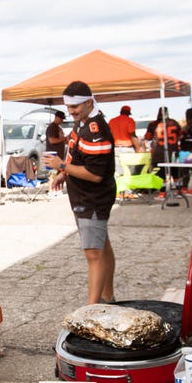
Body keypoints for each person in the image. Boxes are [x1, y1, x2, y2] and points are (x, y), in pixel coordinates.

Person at [42, 81, 116, 305]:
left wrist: (61, 166)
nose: (70, 111)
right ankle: (108, 297)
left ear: (89, 102)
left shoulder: (96, 130)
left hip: (92, 198)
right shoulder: (82, 122)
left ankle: (92, 308)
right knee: (102, 246)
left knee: (93, 253)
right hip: (85, 196)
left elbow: (95, 175)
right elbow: (78, 156)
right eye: (68, 107)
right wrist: (64, 173)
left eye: (74, 107)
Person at [108, 105, 141, 175]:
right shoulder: (130, 120)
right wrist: (138, 149)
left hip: (115, 149)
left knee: (118, 173)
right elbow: (133, 135)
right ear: (128, 113)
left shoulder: (112, 121)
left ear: (121, 112)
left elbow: (108, 135)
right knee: (130, 173)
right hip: (127, 150)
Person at [45, 110, 68, 196]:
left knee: (58, 173)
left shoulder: (58, 128)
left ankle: (57, 190)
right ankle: (51, 190)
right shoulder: (51, 127)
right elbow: (52, 140)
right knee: (52, 174)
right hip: (52, 155)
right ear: (56, 117)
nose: (62, 120)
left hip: (58, 156)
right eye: (61, 118)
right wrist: (63, 139)